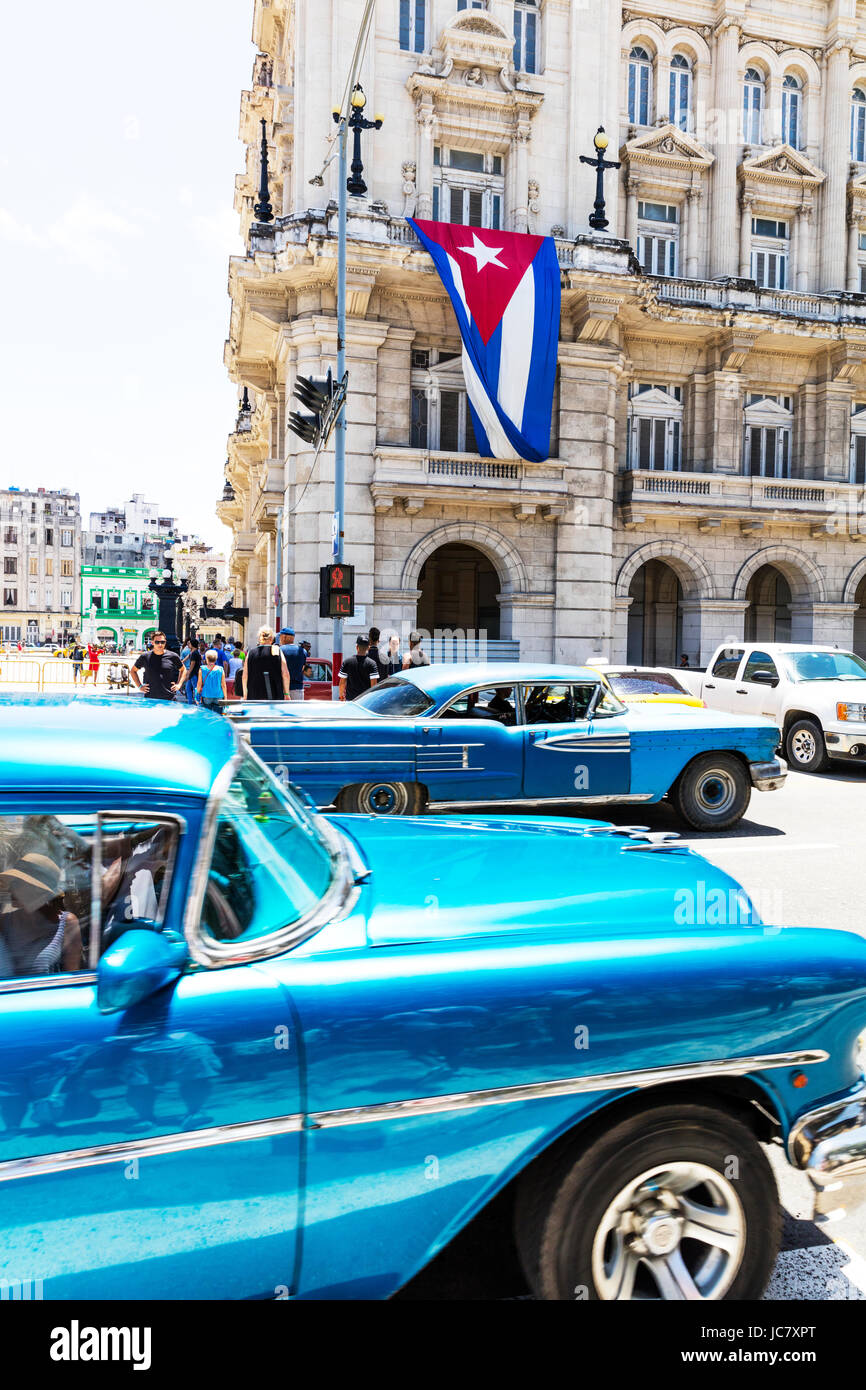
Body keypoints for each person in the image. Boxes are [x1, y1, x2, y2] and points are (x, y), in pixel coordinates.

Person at [0, 850, 82, 978]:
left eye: (18, 883)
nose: (12, 888)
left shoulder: (67, 923)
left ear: (38, 891)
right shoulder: (4, 923)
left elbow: (73, 978)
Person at [242, 626, 291, 701]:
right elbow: (285, 674)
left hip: (254, 694)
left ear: (259, 638)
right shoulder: (277, 651)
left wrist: (245, 694)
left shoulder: (251, 653)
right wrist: (286, 694)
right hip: (275, 694)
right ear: (272, 639)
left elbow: (245, 675)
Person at [130, 631, 183, 701]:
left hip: (169, 698)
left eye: (162, 642)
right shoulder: (145, 656)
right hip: (150, 699)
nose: (160, 644)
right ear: (152, 642)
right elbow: (133, 671)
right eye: (157, 642)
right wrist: (139, 686)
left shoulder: (173, 656)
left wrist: (179, 684)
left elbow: (183, 670)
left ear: (165, 642)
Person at [339, 635, 380, 701]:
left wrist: (341, 697)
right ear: (368, 648)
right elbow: (374, 686)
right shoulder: (372, 664)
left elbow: (342, 683)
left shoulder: (347, 662)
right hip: (365, 701)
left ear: (357, 647)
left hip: (350, 700)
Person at [277, 626, 308, 702]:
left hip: (282, 688)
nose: (280, 639)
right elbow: (302, 668)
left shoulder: (279, 650)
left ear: (284, 637)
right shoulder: (303, 651)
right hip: (298, 688)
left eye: (280, 636)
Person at [176, 639, 204, 705]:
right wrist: (181, 662)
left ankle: (198, 703)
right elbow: (187, 657)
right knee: (188, 688)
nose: (188, 645)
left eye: (189, 644)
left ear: (192, 645)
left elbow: (192, 664)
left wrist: (188, 673)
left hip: (194, 673)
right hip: (193, 674)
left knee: (195, 689)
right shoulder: (193, 652)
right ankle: (190, 703)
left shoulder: (194, 653)